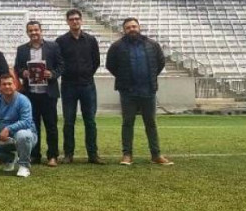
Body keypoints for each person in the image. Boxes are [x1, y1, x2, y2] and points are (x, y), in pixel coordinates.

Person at [106, 17, 173, 166]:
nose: (132, 29)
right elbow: (110, 65)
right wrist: (124, 78)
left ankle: (156, 155)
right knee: (127, 123)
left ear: (139, 27)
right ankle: (127, 155)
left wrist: (149, 77)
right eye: (128, 27)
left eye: (134, 26)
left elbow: (160, 63)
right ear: (124, 30)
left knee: (150, 123)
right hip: (128, 92)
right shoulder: (117, 46)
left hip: (148, 91)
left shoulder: (152, 45)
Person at [55, 9, 105, 164]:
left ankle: (93, 154)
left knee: (90, 120)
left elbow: (96, 61)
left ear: (81, 20)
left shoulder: (90, 40)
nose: (75, 21)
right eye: (71, 19)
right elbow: (59, 63)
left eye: (77, 19)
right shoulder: (61, 41)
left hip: (87, 85)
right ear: (67, 22)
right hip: (68, 86)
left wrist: (86, 73)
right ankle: (68, 154)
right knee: (69, 121)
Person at [14, 21, 64, 167]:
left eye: (36, 30)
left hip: (48, 94)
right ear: (27, 32)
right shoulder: (22, 49)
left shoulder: (53, 46)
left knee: (51, 125)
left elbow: (61, 65)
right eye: (30, 30)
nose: (34, 33)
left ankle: (52, 156)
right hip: (30, 94)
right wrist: (23, 72)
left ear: (41, 30)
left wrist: (52, 73)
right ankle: (35, 155)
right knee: (32, 126)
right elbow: (17, 67)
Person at [0, 73, 39, 178]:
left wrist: (8, 129)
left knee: (22, 135)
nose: (7, 86)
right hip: (5, 138)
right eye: (4, 84)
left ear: (15, 85)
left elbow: (27, 122)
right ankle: (9, 158)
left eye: (9, 84)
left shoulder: (23, 100)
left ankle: (24, 166)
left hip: (27, 136)